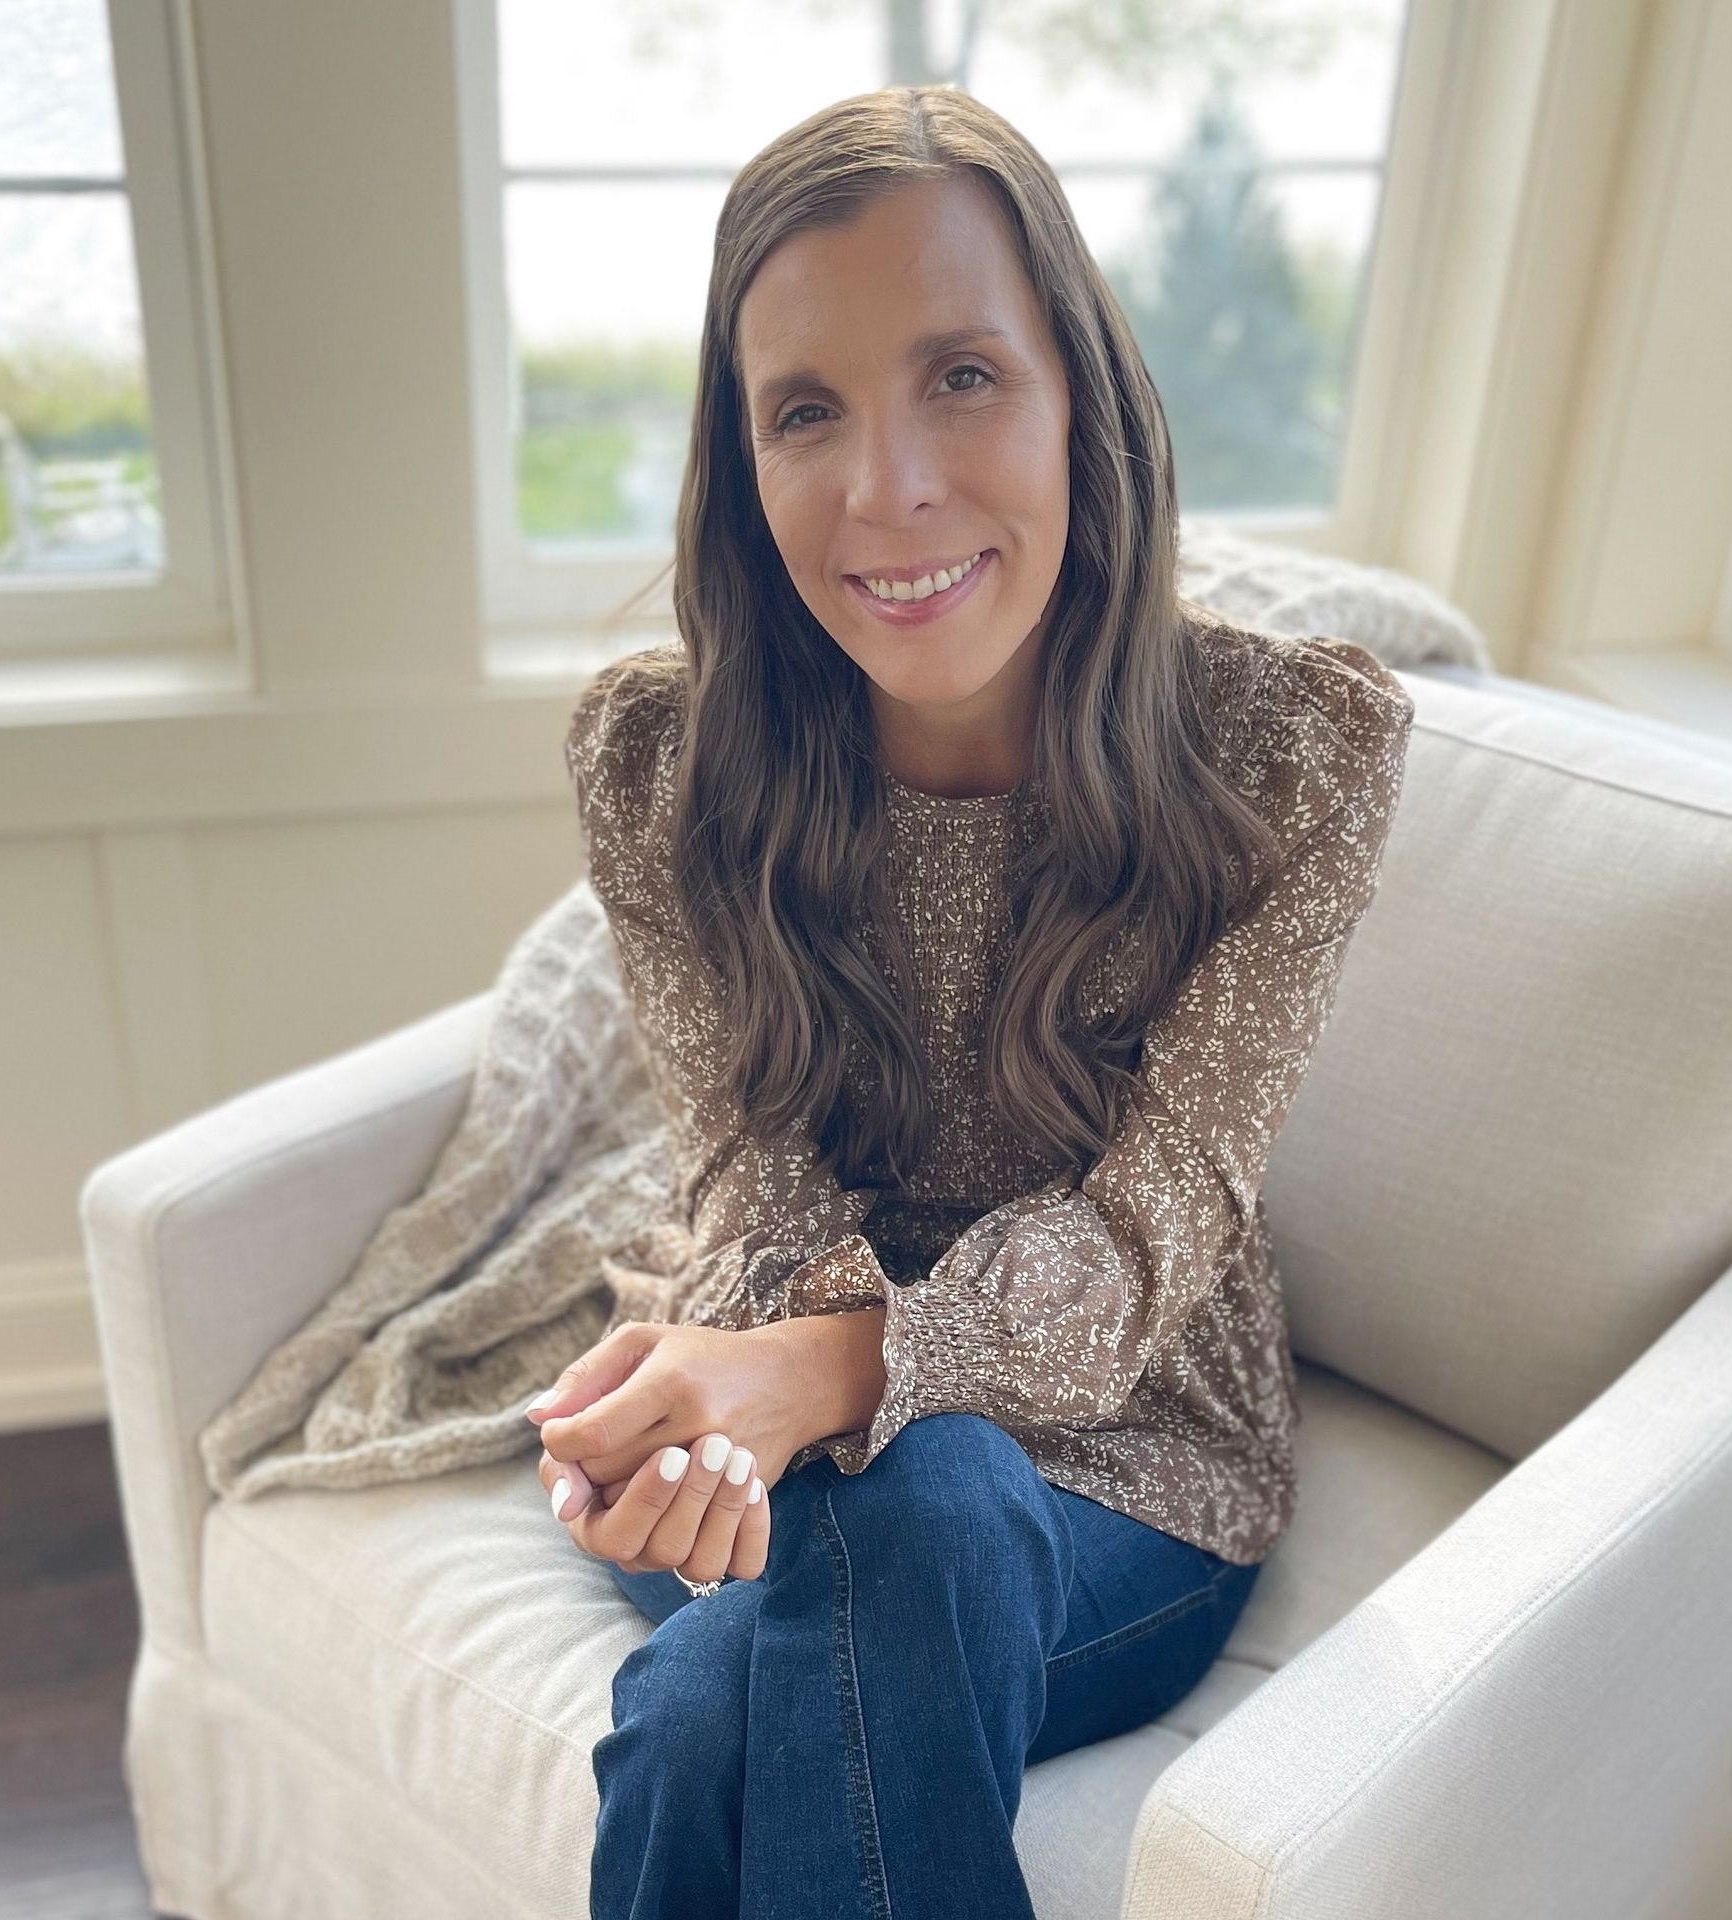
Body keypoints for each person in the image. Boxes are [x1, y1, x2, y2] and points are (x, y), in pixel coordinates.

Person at [529, 83, 1415, 1920]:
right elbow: (752, 1182)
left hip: (1135, 1460)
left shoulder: (1293, 752)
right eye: (805, 413)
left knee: (890, 1542)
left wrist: (819, 1377)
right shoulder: (660, 764)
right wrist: (745, 1395)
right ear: (742, 461)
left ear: (1081, 389)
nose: (889, 491)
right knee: (711, 1709)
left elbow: (1154, 1230)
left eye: (962, 377)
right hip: (761, 1388)